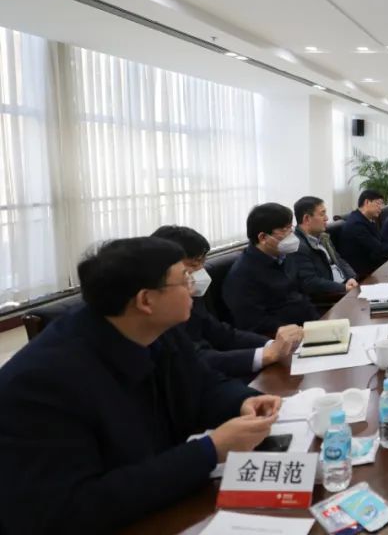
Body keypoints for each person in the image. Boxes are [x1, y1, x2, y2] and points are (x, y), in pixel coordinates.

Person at [0, 237, 282, 534]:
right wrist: (209, 451)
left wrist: (242, 401)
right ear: (146, 300)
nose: (193, 287)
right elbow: (72, 508)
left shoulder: (155, 329)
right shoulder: (40, 384)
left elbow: (204, 385)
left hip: (163, 505)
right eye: (184, 278)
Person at [152, 225, 303, 378]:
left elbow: (222, 334)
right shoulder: (158, 312)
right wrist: (266, 354)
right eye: (193, 265)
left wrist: (272, 345)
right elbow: (193, 359)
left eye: (202, 263)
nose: (200, 271)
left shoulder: (193, 296)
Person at [223, 203, 319, 334]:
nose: (291, 235)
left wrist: (317, 323)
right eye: (284, 230)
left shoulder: (285, 257)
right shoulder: (242, 274)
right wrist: (296, 331)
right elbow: (253, 322)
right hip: (283, 337)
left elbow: (300, 296)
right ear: (263, 237)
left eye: (290, 228)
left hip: (309, 326)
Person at [291, 196, 359, 303]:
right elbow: (310, 282)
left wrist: (351, 277)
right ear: (307, 219)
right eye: (322, 214)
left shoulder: (323, 237)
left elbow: (339, 260)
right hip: (330, 297)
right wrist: (343, 288)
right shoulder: (298, 246)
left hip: (343, 287)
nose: (327, 218)